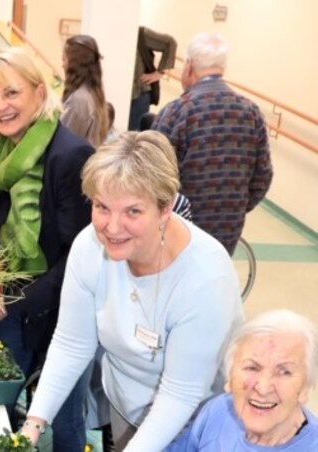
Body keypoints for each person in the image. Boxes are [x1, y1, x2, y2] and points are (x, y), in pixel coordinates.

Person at [20, 130, 243, 451]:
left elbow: (180, 393)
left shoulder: (206, 276)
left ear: (165, 208)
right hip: (126, 403)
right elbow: (72, 343)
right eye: (102, 207)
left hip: (194, 422)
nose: (112, 226)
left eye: (133, 211)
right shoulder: (89, 247)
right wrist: (33, 425)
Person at [0, 47, 94, 452]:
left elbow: (78, 258)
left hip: (63, 318)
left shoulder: (69, 156)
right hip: (13, 311)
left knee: (66, 422)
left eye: (11, 93)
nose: (0, 107)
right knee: (0, 411)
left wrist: (10, 300)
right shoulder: (4, 153)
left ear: (39, 93)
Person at [153, 32, 273, 254]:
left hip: (179, 228)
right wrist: (235, 208)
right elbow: (262, 176)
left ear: (188, 66)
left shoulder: (176, 112)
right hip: (229, 229)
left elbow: (151, 175)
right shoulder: (251, 112)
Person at [166, 309, 318, 451]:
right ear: (230, 378)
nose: (263, 388)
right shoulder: (219, 411)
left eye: (284, 372)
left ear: (305, 388)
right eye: (252, 368)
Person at [61, 34, 110, 148]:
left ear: (74, 63)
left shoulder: (79, 99)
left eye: (64, 59)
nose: (62, 65)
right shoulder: (92, 94)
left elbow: (64, 143)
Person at [128, 26, 177, 130]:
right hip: (122, 94)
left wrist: (159, 73)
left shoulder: (141, 34)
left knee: (135, 137)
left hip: (138, 95)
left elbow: (170, 42)